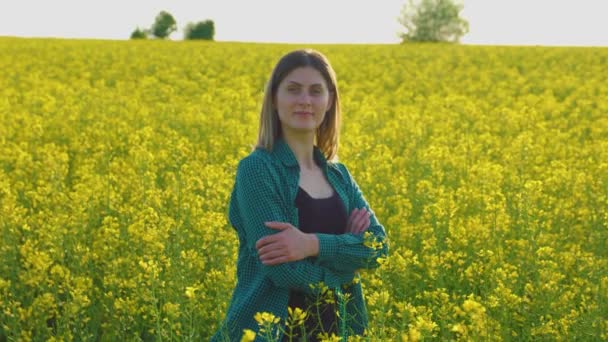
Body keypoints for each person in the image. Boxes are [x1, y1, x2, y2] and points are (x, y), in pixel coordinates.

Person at [211, 49, 389, 342]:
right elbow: (283, 271)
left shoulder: (340, 175)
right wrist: (347, 270)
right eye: (293, 90)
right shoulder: (257, 169)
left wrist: (311, 244)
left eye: (316, 91)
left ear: (329, 101)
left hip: (339, 332)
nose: (305, 100)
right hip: (268, 333)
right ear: (274, 99)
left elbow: (379, 248)